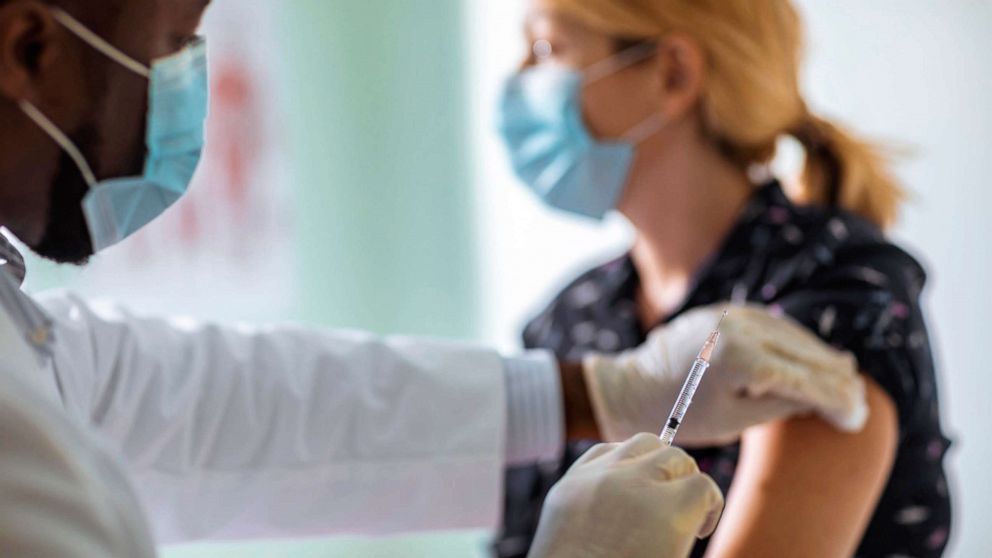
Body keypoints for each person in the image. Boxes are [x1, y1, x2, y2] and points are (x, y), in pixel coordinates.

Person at [0, 0, 866, 556]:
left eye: (547, 48)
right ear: (27, 45)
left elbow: (190, 405)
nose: (183, 80)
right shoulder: (576, 312)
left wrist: (596, 394)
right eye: (169, 42)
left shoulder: (834, 291)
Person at [494, 0, 952, 557]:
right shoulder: (566, 321)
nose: (519, 78)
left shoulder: (833, 293)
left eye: (547, 49)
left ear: (673, 73)